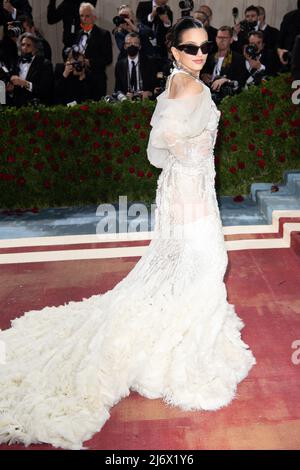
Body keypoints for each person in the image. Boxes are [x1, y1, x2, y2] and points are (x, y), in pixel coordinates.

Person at [0, 17, 255, 450]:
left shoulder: (175, 83)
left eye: (205, 47)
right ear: (173, 51)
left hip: (180, 193)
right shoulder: (194, 88)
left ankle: (171, 323)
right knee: (210, 262)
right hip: (191, 197)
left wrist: (186, 155)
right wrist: (191, 154)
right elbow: (170, 143)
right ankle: (175, 339)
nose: (200, 54)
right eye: (190, 48)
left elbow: (158, 151)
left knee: (188, 266)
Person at [114, 32, 158, 100]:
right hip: (127, 102)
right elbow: (117, 89)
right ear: (125, 46)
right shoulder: (120, 65)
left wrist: (150, 93)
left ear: (140, 46)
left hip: (146, 101)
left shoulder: (150, 62)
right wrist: (123, 98)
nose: (132, 46)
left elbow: (156, 86)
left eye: (135, 43)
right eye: (129, 43)